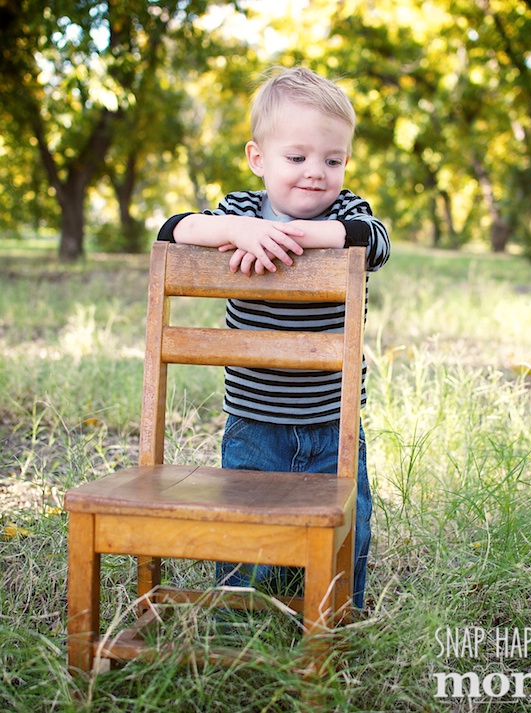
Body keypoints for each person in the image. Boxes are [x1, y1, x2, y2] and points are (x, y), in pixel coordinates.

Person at [157, 66, 390, 609]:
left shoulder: (346, 212)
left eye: (332, 160)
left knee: (346, 525)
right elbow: (172, 229)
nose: (316, 173)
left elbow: (374, 242)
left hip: (333, 420)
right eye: (297, 157)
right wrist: (240, 232)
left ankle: (335, 612)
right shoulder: (239, 211)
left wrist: (290, 237)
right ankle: (238, 614)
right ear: (258, 158)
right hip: (254, 417)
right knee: (243, 527)